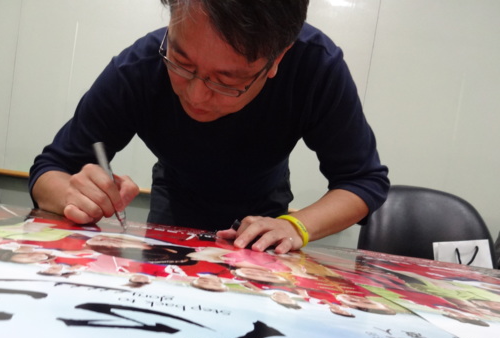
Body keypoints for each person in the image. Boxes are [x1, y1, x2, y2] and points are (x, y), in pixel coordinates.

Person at [29, 0, 389, 255]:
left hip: (264, 211)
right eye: (181, 62)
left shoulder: (315, 66)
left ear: (277, 59)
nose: (196, 95)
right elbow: (50, 169)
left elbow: (363, 181)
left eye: (227, 81)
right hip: (175, 202)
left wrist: (295, 226)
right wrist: (72, 195)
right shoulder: (139, 67)